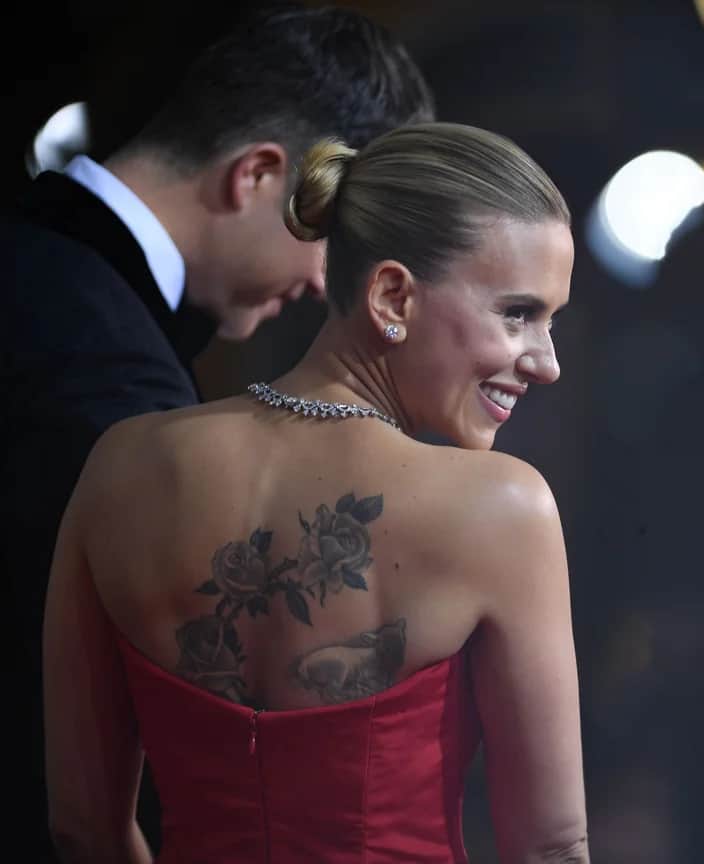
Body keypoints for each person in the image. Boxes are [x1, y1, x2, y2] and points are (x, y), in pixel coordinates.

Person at [43, 122, 589, 863]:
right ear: (392, 296)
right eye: (518, 314)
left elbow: (84, 831)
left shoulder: (121, 465)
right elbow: (550, 848)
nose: (547, 363)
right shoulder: (503, 507)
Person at [2, 5, 434, 859]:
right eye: (337, 239)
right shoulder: (109, 380)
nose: (328, 284)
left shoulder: (39, 267)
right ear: (257, 176)